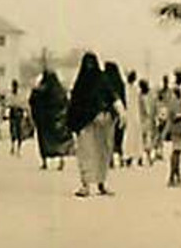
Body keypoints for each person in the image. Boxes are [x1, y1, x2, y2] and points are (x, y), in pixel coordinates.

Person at [68, 54, 122, 197]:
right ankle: (85, 184)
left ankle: (101, 183)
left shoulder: (102, 80)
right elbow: (74, 104)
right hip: (85, 124)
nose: (90, 67)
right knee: (86, 153)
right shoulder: (81, 85)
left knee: (102, 153)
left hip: (104, 122)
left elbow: (113, 96)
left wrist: (120, 113)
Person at [28, 69, 72, 170]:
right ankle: (61, 160)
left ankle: (45, 162)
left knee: (44, 142)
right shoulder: (60, 90)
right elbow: (66, 103)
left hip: (44, 120)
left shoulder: (40, 90)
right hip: (57, 120)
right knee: (59, 141)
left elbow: (33, 101)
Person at [121, 70, 146, 167]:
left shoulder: (134, 89)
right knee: (130, 137)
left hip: (135, 115)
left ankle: (137, 157)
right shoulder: (127, 89)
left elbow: (140, 102)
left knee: (135, 137)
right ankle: (129, 157)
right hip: (131, 116)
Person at [7, 81, 29, 156]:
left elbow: (24, 104)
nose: (14, 88)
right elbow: (8, 104)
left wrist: (26, 113)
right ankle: (12, 146)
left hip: (19, 113)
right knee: (12, 130)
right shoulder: (9, 95)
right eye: (13, 86)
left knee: (19, 131)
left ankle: (18, 149)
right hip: (12, 113)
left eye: (15, 86)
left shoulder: (21, 95)